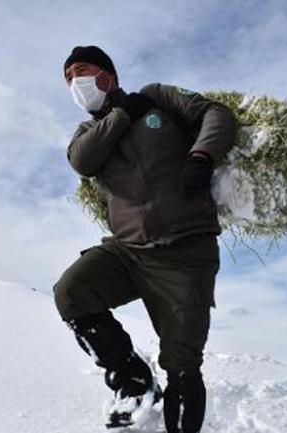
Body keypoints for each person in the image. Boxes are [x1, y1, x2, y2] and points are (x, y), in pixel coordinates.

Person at [52, 45, 237, 432]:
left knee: (183, 368)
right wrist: (121, 114)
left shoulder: (157, 98)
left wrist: (202, 156)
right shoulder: (88, 132)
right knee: (72, 292)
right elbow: (83, 161)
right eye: (68, 77)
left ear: (108, 75)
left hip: (186, 250)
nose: (75, 82)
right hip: (128, 252)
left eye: (81, 71)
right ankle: (133, 379)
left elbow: (216, 113)